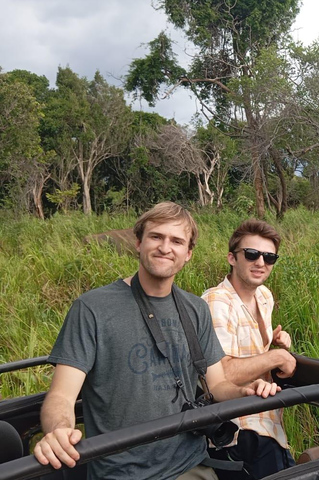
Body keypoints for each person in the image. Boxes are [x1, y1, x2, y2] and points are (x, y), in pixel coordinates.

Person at [33, 202, 280, 480]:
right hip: (121, 472)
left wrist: (245, 391)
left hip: (191, 465)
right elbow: (61, 396)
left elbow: (218, 385)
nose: (165, 247)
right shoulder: (92, 308)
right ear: (138, 243)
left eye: (176, 241)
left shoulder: (194, 309)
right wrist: (58, 432)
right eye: (156, 237)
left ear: (188, 254)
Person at [201, 219, 296, 480]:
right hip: (238, 430)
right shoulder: (217, 302)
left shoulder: (264, 296)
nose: (261, 263)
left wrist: (273, 341)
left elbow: (249, 347)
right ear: (232, 258)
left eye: (269, 257)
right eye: (251, 254)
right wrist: (276, 356)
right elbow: (222, 373)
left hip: (270, 419)